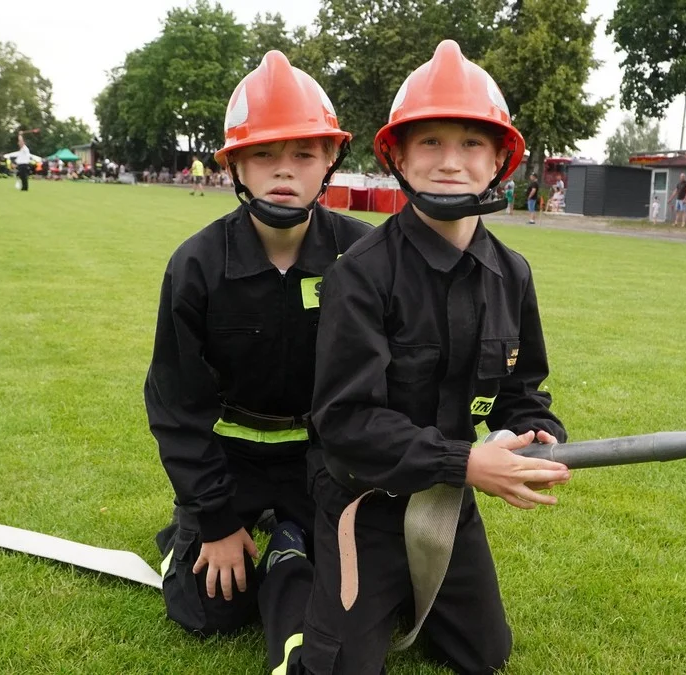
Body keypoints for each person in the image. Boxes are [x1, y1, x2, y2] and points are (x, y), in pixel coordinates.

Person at [303, 39, 571, 674]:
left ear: (501, 157)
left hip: (447, 501)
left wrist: (539, 433)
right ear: (396, 154)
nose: (451, 161)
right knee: (341, 668)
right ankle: (296, 547)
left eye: (472, 143)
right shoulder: (359, 276)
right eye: (430, 142)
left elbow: (522, 389)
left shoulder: (514, 274)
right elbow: (345, 423)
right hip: (361, 504)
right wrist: (465, 461)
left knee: (485, 655)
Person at [145, 51, 371, 674]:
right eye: (265, 154)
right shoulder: (195, 266)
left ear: (330, 161)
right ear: (235, 164)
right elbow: (176, 404)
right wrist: (214, 520)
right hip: (231, 463)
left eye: (303, 154)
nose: (283, 171)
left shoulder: (364, 256)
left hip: (326, 464)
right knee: (205, 610)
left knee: (362, 604)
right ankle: (184, 531)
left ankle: (293, 539)